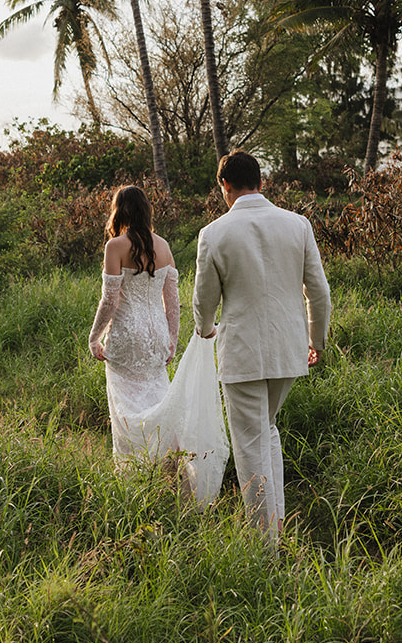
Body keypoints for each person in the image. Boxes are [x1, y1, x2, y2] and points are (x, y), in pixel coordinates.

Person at [193, 150, 330, 541]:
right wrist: (315, 340)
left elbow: (204, 299)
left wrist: (204, 329)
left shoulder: (214, 233)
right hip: (289, 352)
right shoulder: (297, 224)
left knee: (250, 445)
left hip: (242, 354)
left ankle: (265, 547)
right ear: (262, 181)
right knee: (266, 431)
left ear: (225, 186)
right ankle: (278, 523)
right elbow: (318, 292)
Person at [86, 185, 227, 505]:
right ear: (147, 210)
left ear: (118, 211)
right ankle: (174, 468)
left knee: (125, 407)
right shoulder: (163, 246)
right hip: (155, 338)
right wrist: (171, 341)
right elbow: (173, 302)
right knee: (162, 402)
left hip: (125, 337)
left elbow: (109, 301)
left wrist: (95, 337)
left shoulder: (115, 246)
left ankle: (134, 477)